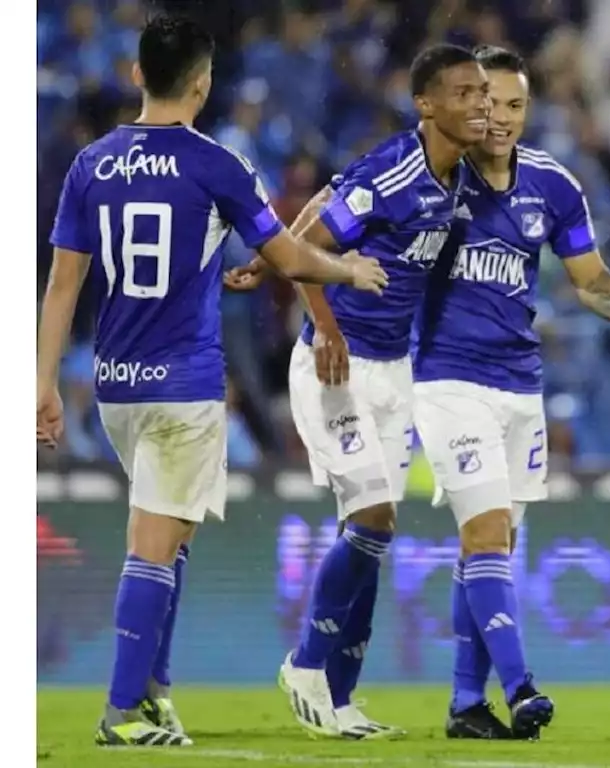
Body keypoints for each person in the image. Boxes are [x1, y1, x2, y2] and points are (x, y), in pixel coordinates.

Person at [35, 15, 387, 748]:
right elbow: (288, 257)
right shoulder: (218, 164)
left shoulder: (91, 164)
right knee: (155, 545)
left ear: (138, 75)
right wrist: (348, 268)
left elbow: (63, 284)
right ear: (203, 84)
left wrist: (41, 383)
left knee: (170, 535)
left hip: (113, 385)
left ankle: (156, 695)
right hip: (184, 382)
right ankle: (123, 710)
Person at [225, 43, 490, 739]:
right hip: (334, 365)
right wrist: (326, 328)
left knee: (374, 531)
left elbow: (320, 199)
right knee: (372, 515)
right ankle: (307, 664)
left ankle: (339, 700)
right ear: (426, 104)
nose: (480, 105)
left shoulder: (458, 179)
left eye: (483, 93)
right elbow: (307, 244)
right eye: (464, 93)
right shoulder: (397, 171)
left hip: (393, 370)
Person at [412, 46, 610, 741]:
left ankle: (464, 703)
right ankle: (519, 687)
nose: (502, 118)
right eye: (489, 103)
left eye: (516, 105)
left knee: (494, 546)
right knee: (486, 531)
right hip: (449, 379)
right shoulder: (434, 177)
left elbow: (589, 275)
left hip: (520, 385)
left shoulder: (554, 185)